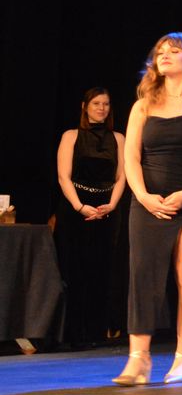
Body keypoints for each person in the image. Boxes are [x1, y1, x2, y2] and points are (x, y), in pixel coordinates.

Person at [115, 33, 182, 386]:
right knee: (142, 276)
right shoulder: (143, 104)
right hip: (147, 202)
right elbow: (131, 157)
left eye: (174, 51)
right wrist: (142, 195)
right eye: (160, 52)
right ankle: (138, 358)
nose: (165, 56)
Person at [54, 88, 126, 349]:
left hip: (107, 209)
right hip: (76, 209)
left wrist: (112, 205)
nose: (101, 108)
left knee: (102, 270)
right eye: (96, 103)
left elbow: (122, 176)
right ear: (85, 106)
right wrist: (79, 206)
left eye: (106, 104)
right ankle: (73, 333)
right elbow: (63, 176)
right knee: (75, 269)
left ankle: (97, 331)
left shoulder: (118, 138)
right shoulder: (71, 136)